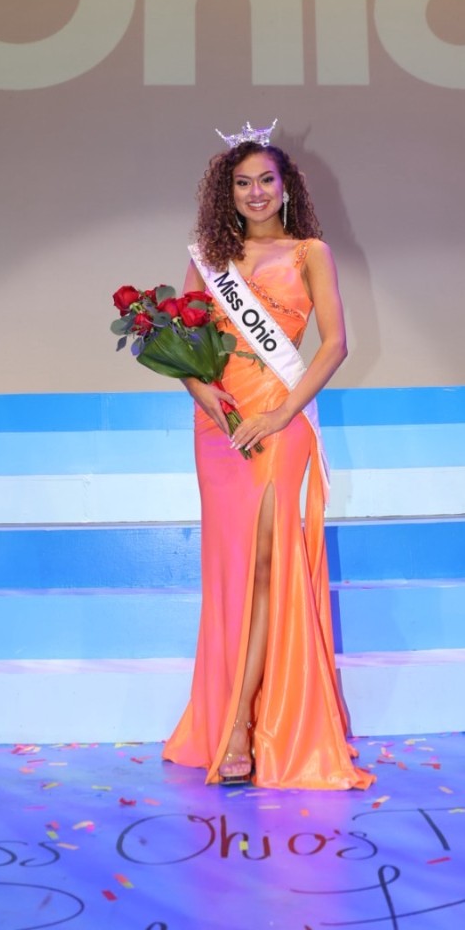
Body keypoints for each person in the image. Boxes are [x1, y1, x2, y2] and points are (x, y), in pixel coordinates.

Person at [162, 122, 374, 791]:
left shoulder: (311, 251)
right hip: (220, 429)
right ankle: (231, 715)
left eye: (266, 181)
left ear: (286, 187)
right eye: (242, 183)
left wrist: (281, 412)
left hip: (279, 423)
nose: (255, 193)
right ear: (227, 193)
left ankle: (245, 732)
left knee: (264, 567)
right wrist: (210, 401)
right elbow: (176, 347)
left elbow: (334, 345)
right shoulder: (207, 261)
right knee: (230, 572)